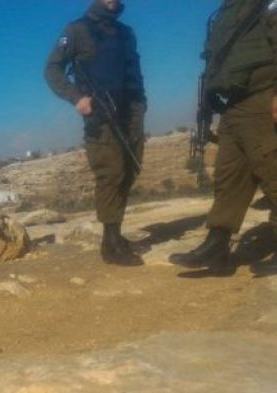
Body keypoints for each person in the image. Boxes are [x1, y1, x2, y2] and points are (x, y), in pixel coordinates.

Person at [170, 0, 277, 276]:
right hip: (234, 105)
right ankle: (217, 246)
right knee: (229, 177)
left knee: (272, 169)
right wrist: (208, 98)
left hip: (263, 98)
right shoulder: (223, 13)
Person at [44, 0, 147, 266]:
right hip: (101, 115)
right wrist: (77, 98)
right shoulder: (78, 29)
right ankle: (110, 244)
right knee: (110, 173)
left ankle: (115, 235)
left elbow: (134, 72)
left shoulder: (127, 32)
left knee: (129, 171)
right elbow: (52, 69)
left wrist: (142, 104)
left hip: (131, 111)